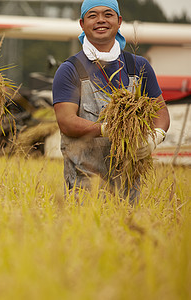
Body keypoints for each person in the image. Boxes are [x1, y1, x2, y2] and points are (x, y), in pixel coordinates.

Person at [52, 0, 170, 202]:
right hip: (83, 193)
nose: (101, 20)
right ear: (82, 24)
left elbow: (160, 111)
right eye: (92, 15)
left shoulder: (137, 67)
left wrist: (156, 136)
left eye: (108, 14)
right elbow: (66, 121)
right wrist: (107, 128)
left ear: (119, 21)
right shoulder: (70, 70)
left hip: (129, 191)